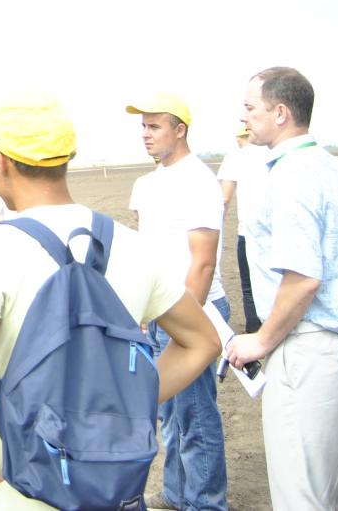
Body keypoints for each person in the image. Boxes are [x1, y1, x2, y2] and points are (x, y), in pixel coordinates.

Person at [0, 95, 221, 511]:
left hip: (21, 490)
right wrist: (125, 405)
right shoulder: (133, 246)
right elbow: (203, 343)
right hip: (115, 490)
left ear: (0, 161)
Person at [226, 67, 338, 511]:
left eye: (251, 107)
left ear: (281, 112)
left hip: (308, 351)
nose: (244, 117)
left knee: (301, 495)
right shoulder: (337, 169)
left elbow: (304, 276)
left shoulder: (289, 175)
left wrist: (260, 340)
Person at [125, 92, 229, 511]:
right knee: (170, 412)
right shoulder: (146, 184)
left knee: (197, 417)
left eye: (154, 126)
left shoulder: (199, 180)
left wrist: (180, 323)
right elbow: (147, 251)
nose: (145, 135)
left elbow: (202, 263)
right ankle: (175, 493)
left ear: (180, 129)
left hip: (193, 312)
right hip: (158, 315)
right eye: (143, 127)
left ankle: (205, 503)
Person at [218, 125, 266, 333]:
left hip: (248, 232)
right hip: (275, 232)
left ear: (240, 136)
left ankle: (254, 327)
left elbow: (225, 197)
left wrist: (217, 225)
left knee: (248, 286)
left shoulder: (236, 157)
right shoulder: (272, 151)